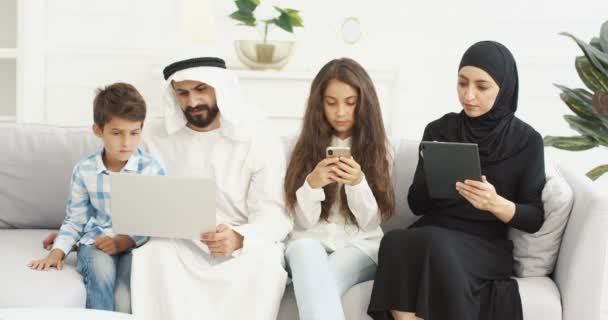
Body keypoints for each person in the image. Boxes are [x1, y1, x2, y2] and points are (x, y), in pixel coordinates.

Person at [367, 41, 546, 320]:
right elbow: (416, 203)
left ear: (504, 88)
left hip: (484, 244)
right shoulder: (439, 129)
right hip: (434, 230)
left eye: (481, 86)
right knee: (394, 242)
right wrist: (435, 176)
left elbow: (534, 217)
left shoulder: (527, 141)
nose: (468, 94)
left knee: (433, 245)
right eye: (462, 83)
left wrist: (496, 203)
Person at [128, 48, 293, 320]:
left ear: (220, 89)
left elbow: (274, 213)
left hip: (241, 240)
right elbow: (140, 203)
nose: (192, 101)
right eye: (183, 93)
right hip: (179, 242)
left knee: (264, 262)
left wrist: (240, 238)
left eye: (201, 89)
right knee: (154, 254)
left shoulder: (259, 137)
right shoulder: (153, 139)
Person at [29, 83, 165, 312]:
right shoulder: (85, 170)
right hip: (96, 242)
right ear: (98, 130)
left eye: (134, 133)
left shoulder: (151, 169)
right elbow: (75, 220)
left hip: (135, 244)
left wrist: (124, 241)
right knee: (101, 273)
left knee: (124, 294)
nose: (126, 143)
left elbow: (157, 220)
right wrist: (57, 251)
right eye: (116, 133)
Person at [283, 58, 395, 320]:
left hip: (359, 246)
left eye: (350, 103)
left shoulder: (380, 149)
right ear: (319, 104)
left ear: (363, 104)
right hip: (311, 239)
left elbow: (370, 223)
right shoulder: (298, 148)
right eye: (331, 103)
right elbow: (302, 222)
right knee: (302, 250)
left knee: (323, 280)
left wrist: (357, 183)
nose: (341, 112)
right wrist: (312, 184)